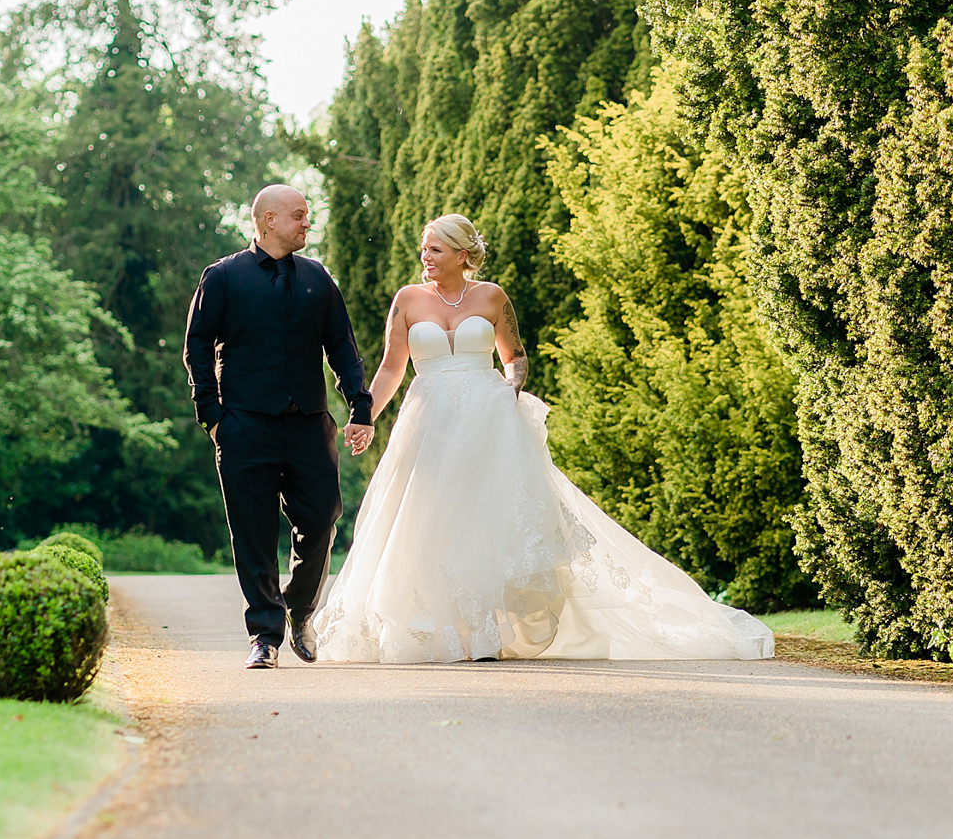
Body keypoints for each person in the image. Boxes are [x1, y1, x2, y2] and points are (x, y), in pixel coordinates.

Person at [312, 214, 773, 663]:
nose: (425, 256)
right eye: (424, 248)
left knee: (486, 520)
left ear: (462, 254)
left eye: (435, 248)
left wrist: (512, 386)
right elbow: (393, 367)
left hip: (487, 421)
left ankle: (484, 634)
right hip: (429, 422)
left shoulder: (492, 298)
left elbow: (514, 356)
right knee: (429, 518)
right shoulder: (408, 299)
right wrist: (365, 413)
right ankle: (439, 629)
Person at [183, 184, 373, 668]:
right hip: (243, 425)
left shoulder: (317, 278)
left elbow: (343, 348)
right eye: (298, 216)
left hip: (309, 424)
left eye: (307, 216)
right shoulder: (223, 277)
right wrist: (213, 418)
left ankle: (301, 609)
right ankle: (264, 636)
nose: (307, 223)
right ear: (268, 221)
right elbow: (197, 348)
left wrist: (359, 405)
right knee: (253, 531)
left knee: (323, 517)